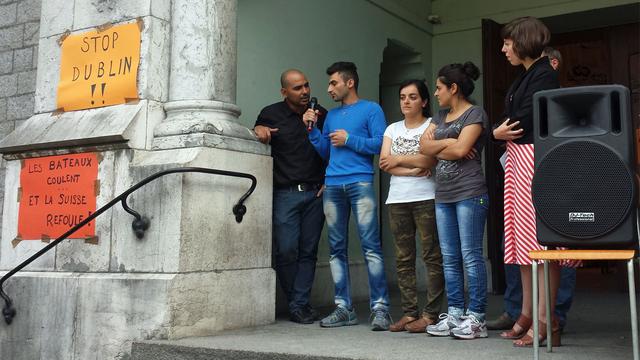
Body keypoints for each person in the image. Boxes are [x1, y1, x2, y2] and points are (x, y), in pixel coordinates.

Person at [487, 46, 576, 333]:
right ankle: (525, 314)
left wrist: (498, 130)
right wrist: (496, 131)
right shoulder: (521, 77)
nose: (503, 49)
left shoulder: (543, 73)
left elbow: (522, 119)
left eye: (508, 42)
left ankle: (546, 319)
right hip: (517, 161)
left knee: (542, 242)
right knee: (522, 243)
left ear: (524, 41)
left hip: (534, 159)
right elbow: (506, 116)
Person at [306, 61, 392, 331]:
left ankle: (380, 309)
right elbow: (327, 152)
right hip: (332, 185)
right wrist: (313, 131)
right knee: (336, 250)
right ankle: (344, 308)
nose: (329, 88)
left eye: (334, 83)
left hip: (360, 182)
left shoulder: (371, 109)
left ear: (349, 82)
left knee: (371, 247)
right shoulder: (330, 115)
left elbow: (381, 144)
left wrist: (350, 139)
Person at [420, 61, 490, 340]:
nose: (435, 94)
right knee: (449, 258)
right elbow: (424, 148)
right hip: (444, 195)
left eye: (439, 88)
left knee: (470, 255)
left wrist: (448, 146)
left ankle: (477, 318)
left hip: (470, 193)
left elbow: (462, 149)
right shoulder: (438, 117)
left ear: (453, 88)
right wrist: (450, 144)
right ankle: (456, 314)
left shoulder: (475, 114)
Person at [254, 69, 327, 324]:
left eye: (306, 85)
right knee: (286, 250)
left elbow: (331, 152)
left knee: (309, 251)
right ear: (284, 92)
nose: (305, 91)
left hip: (315, 195)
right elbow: (259, 136)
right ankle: (298, 302)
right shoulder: (271, 114)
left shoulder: (321, 115)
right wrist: (258, 129)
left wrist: (328, 180)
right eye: (297, 88)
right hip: (285, 194)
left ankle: (299, 305)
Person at [379, 79, 445, 333]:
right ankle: (409, 313)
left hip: (426, 197)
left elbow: (430, 159)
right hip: (397, 199)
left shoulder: (433, 125)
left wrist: (401, 160)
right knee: (403, 258)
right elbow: (384, 163)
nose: (406, 101)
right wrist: (413, 168)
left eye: (413, 97)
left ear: (425, 101)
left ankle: (430, 314)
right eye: (403, 97)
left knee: (431, 256)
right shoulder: (392, 129)